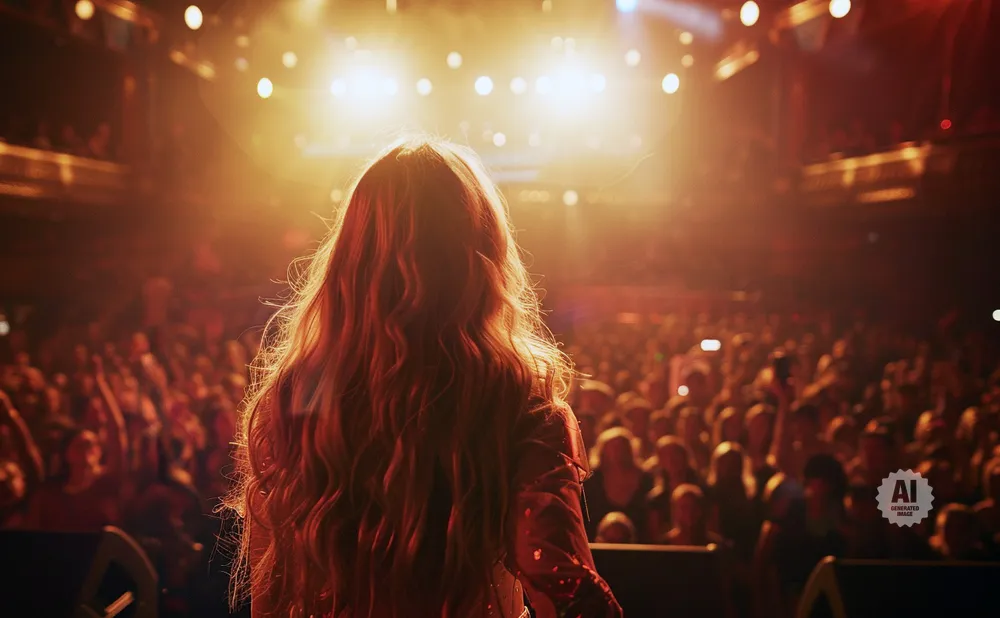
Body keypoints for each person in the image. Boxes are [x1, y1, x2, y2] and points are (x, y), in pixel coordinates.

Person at [224, 138, 622, 618]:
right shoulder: (519, 408)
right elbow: (567, 593)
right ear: (482, 258)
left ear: (351, 259)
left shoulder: (303, 392)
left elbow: (271, 598)